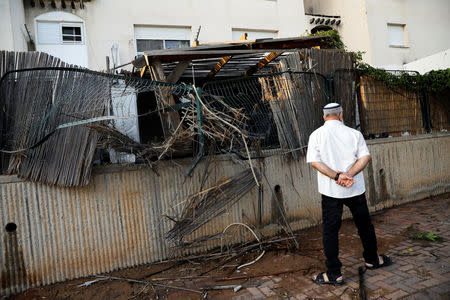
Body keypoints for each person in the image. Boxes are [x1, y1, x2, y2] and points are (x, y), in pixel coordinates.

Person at [306, 103, 392, 286]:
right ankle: (372, 260)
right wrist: (349, 175)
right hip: (355, 188)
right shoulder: (354, 134)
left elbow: (314, 162)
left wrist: (337, 177)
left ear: (324, 117)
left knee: (330, 231)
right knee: (364, 226)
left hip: (331, 192)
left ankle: (334, 273)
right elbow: (365, 157)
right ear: (340, 115)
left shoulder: (316, 135)